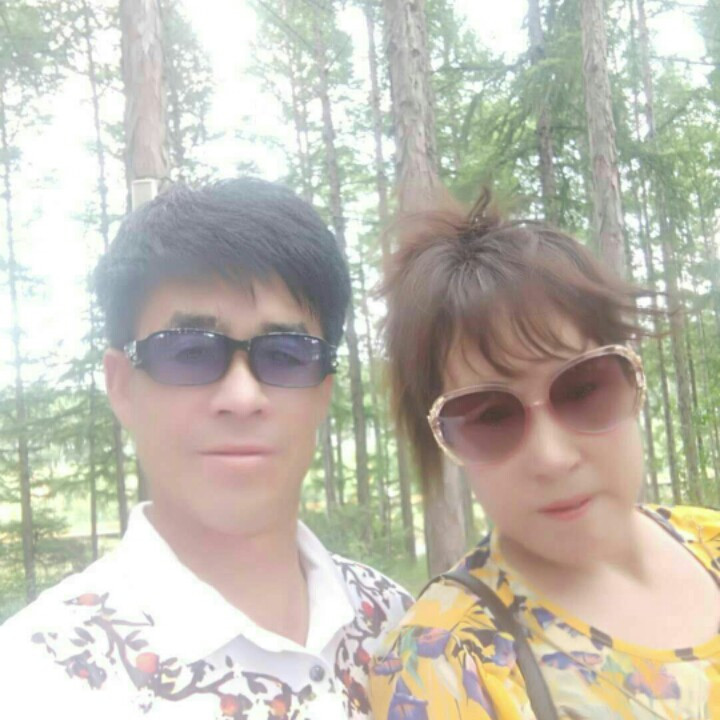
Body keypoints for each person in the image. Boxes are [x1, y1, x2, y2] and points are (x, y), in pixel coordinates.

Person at [0, 178, 411, 719]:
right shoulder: (35, 681)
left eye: (286, 355)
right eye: (190, 352)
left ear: (323, 394)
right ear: (121, 386)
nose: (242, 397)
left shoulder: (400, 626)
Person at [368, 190, 720, 719]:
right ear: (443, 438)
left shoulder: (710, 538)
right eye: (491, 417)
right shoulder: (446, 663)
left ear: (632, 376)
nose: (552, 457)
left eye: (583, 388)